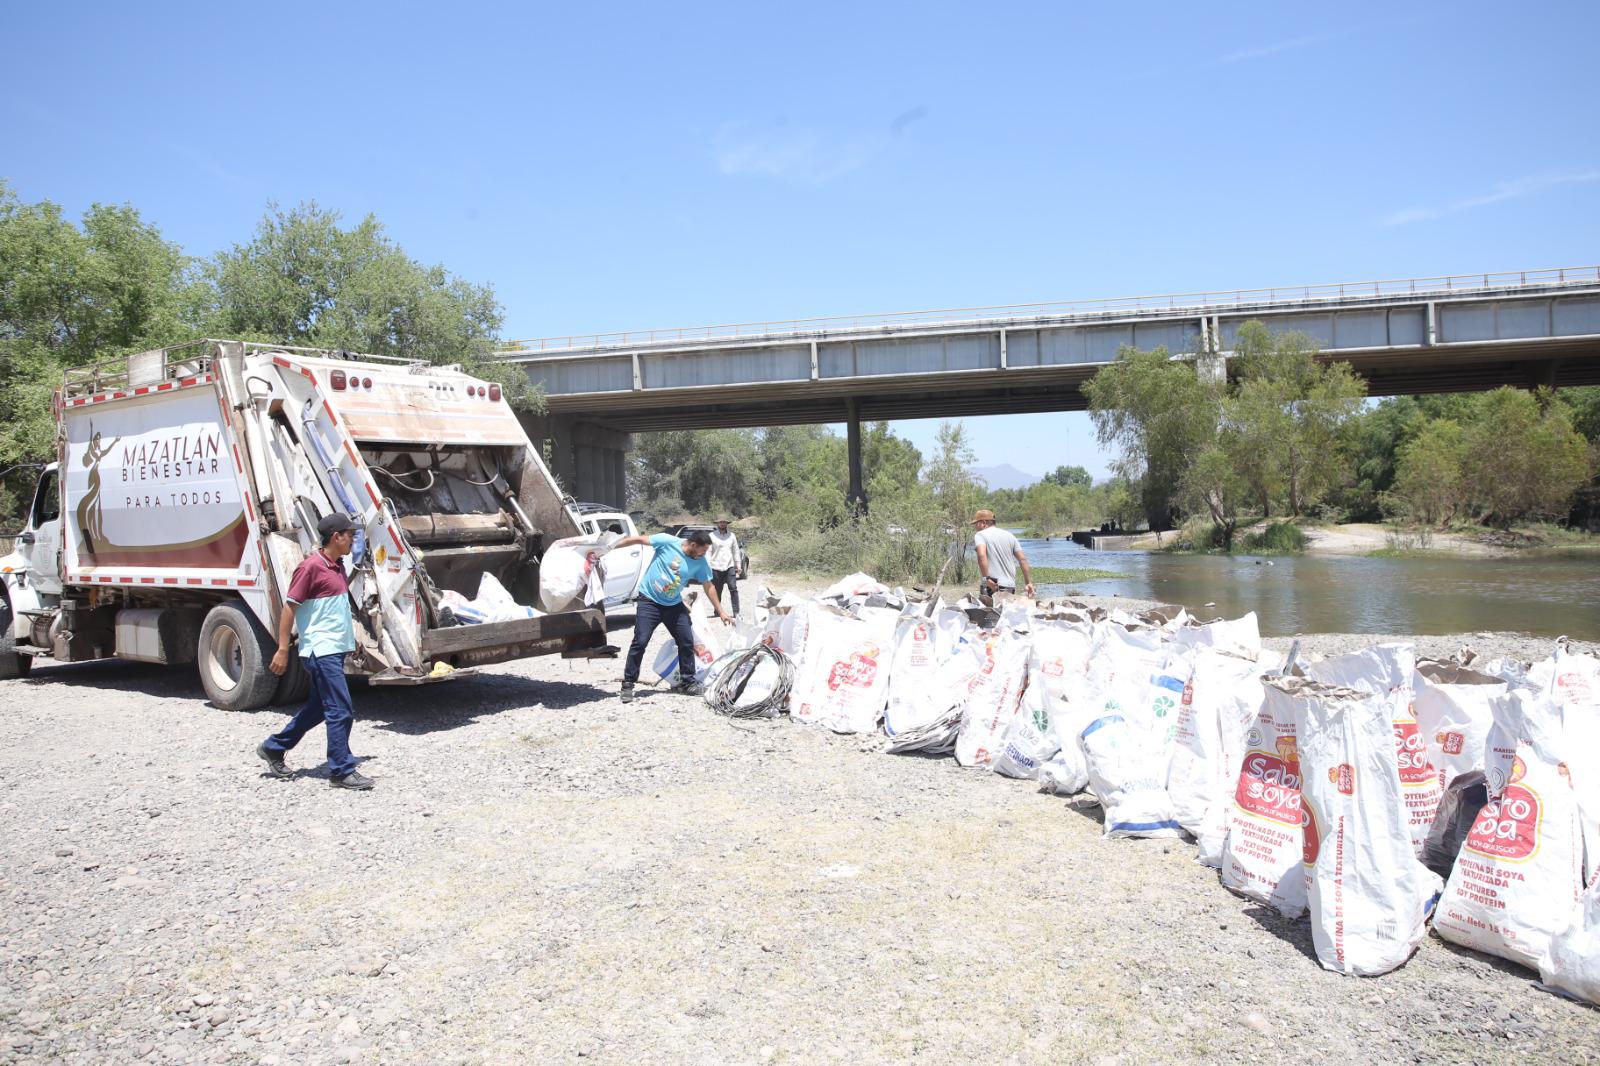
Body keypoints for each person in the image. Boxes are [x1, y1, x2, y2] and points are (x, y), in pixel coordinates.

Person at [255, 512, 375, 790]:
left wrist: (352, 637)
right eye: (350, 535)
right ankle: (341, 770)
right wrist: (283, 649)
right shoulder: (310, 568)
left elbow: (335, 610)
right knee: (340, 709)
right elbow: (289, 607)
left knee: (319, 708)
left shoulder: (338, 566)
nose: (353, 540)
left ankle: (274, 747)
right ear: (336, 537)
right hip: (320, 651)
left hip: (334, 647)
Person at [611, 528, 732, 703]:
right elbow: (637, 539)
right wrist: (610, 547)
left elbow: (709, 586)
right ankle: (628, 684)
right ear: (692, 544)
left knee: (686, 640)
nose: (705, 554)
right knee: (640, 641)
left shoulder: (700, 562)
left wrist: (721, 611)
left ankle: (687, 682)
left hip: (673, 604)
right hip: (649, 601)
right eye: (703, 550)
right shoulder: (667, 542)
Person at [971, 508, 1035, 602]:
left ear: (983, 522)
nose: (975, 527)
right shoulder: (1010, 535)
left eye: (976, 524)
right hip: (1010, 586)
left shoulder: (980, 535)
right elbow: (1022, 560)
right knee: (1005, 615)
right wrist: (1028, 583)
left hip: (992, 586)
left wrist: (986, 580)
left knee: (990, 616)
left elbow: (981, 556)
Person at [707, 515, 742, 618]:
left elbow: (736, 551)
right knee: (717, 589)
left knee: (733, 588)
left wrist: (738, 564)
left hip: (729, 565)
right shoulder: (711, 536)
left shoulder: (732, 536)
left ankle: (736, 612)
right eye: (720, 522)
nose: (722, 524)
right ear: (717, 524)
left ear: (727, 524)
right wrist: (708, 566)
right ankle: (717, 611)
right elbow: (708, 552)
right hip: (716, 566)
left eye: (724, 522)